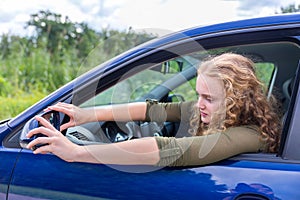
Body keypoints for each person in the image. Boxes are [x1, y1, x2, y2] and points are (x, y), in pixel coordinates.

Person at [26, 53, 282, 167]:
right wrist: (87, 114)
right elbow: (153, 110)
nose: (200, 104)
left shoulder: (251, 135)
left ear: (234, 99)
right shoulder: (210, 110)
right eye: (198, 95)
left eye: (209, 98)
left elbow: (169, 151)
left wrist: (75, 152)